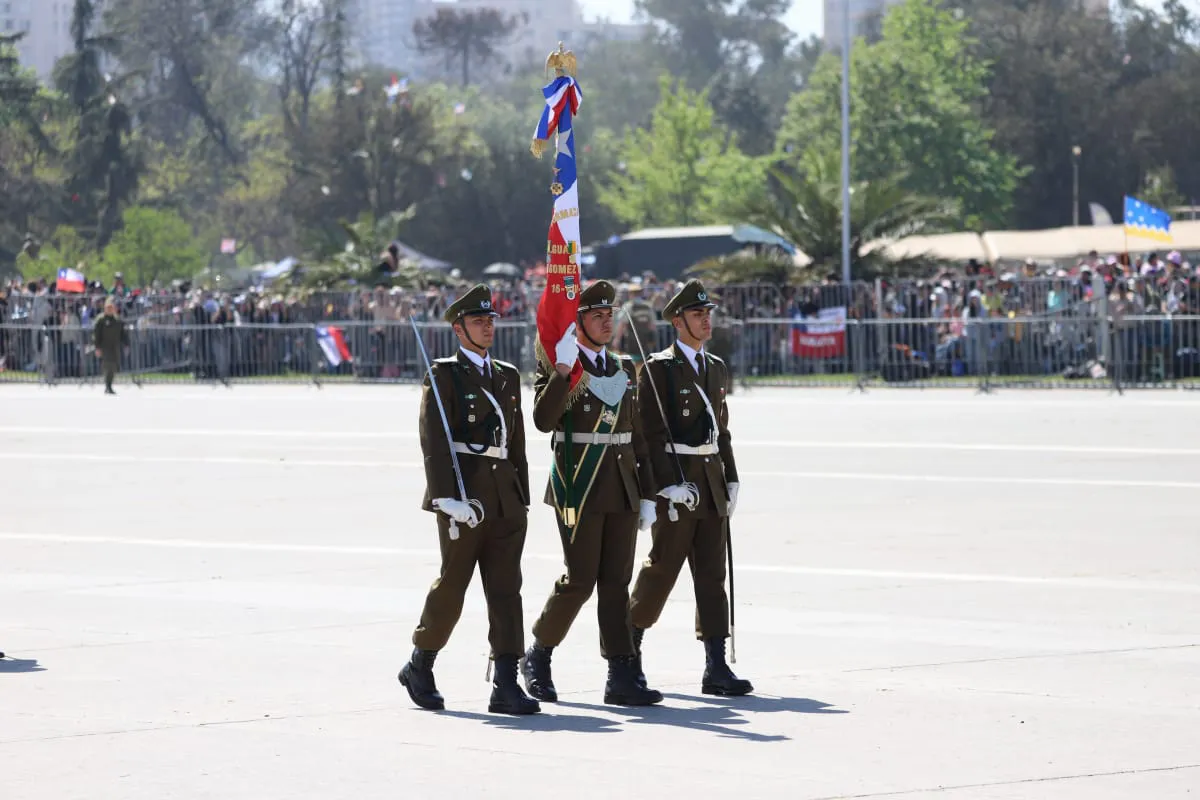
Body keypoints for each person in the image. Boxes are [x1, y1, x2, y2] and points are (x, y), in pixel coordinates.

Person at [398, 284, 540, 716]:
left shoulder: (507, 375)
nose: (487, 327)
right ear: (459, 329)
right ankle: (419, 664)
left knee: (506, 590)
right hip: (466, 496)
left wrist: (522, 497)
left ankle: (505, 683)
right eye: (478, 321)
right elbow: (434, 442)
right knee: (453, 586)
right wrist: (444, 499)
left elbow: (515, 445)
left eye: (490, 320)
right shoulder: (444, 375)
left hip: (504, 500)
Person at [521, 280, 663, 707]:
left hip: (621, 487)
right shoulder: (561, 364)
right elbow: (544, 421)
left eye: (609, 315)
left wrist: (650, 492)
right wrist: (562, 373)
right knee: (580, 580)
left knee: (617, 583)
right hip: (578, 486)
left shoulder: (621, 367)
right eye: (597, 316)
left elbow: (637, 435)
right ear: (577, 322)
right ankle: (538, 656)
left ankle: (621, 672)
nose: (607, 322)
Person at [628, 279, 753, 697]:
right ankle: (628, 649)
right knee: (662, 570)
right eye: (698, 315)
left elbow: (723, 429)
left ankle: (716, 665)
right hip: (678, 485)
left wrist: (731, 476)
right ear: (678, 322)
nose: (706, 319)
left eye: (708, 313)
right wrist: (664, 486)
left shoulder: (714, 366)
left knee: (712, 576)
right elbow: (648, 433)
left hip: (711, 482)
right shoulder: (659, 369)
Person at [93, 299, 128, 395]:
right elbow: (96, 334)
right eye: (108, 308)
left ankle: (109, 384)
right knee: (108, 365)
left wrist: (126, 344)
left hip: (115, 346)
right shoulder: (101, 320)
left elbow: (123, 334)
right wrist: (97, 347)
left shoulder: (117, 320)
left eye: (111, 308)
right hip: (105, 346)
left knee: (114, 365)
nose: (110, 310)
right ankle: (108, 386)